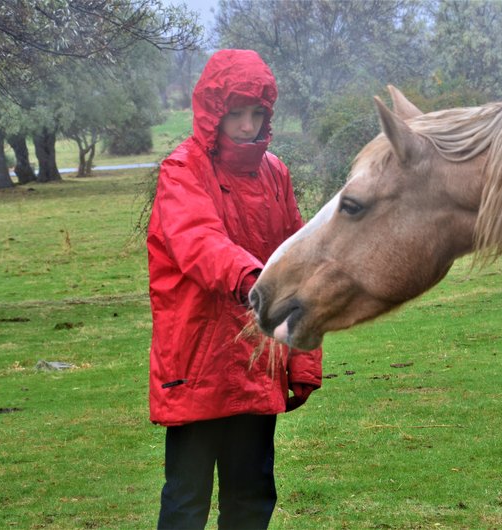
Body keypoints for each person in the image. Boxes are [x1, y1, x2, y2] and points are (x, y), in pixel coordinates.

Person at [146, 49, 323, 529]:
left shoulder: (275, 173)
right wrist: (257, 282)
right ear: (212, 113)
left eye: (257, 114)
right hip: (197, 361)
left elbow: (300, 263)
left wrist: (303, 355)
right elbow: (199, 242)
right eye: (236, 113)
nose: (248, 126)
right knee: (186, 502)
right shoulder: (181, 171)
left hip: (257, 363)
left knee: (251, 498)